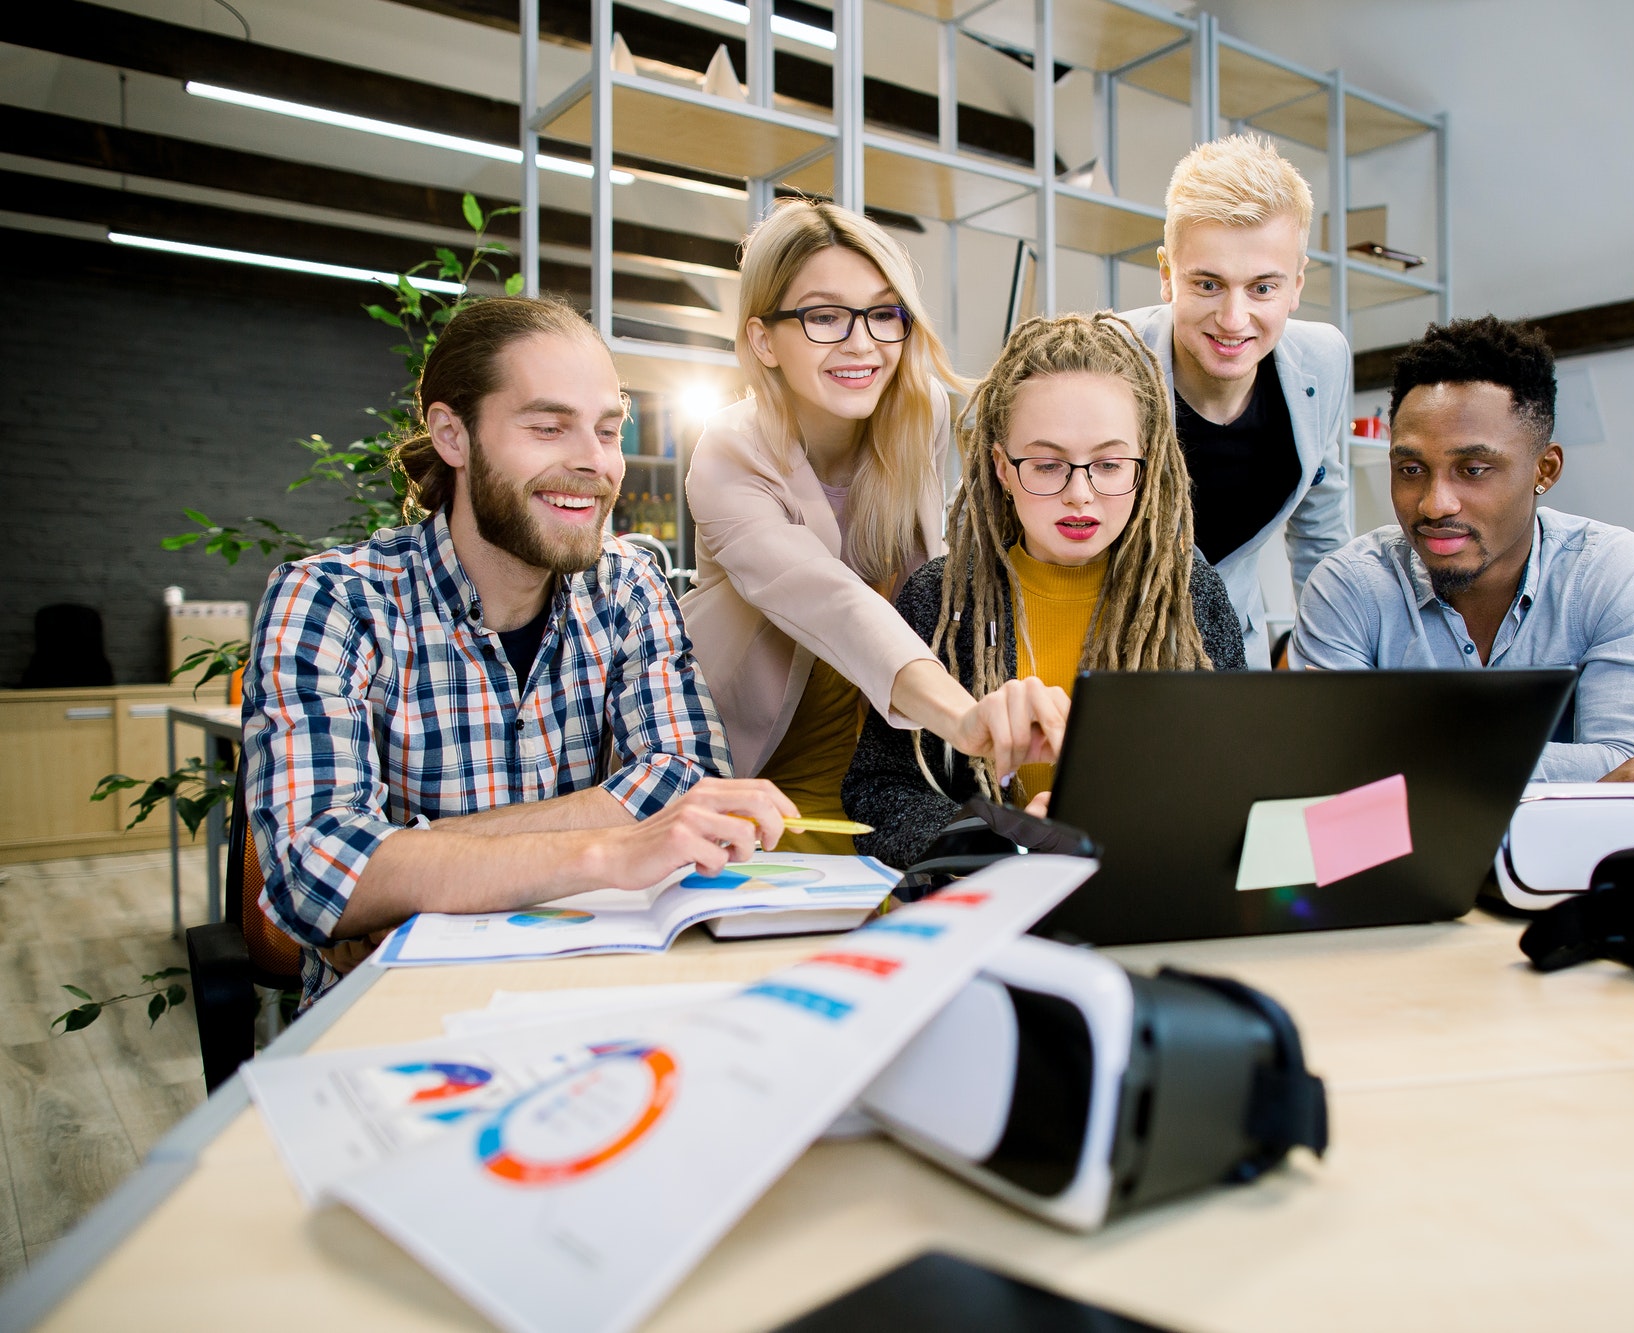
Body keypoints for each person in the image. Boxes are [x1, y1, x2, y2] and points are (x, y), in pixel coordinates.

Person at [241, 297, 795, 1003]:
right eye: (547, 427)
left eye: (606, 430)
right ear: (452, 435)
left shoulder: (627, 587)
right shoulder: (333, 600)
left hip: (589, 990)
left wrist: (408, 867)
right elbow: (317, 872)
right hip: (398, 1013)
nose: (594, 463)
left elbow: (687, 781)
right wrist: (609, 848)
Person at [683, 200, 1064, 853]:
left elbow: (930, 587)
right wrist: (963, 717)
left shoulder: (920, 416)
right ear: (763, 339)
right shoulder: (727, 451)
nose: (862, 343)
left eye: (884, 313)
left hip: (882, 754)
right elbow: (833, 603)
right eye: (825, 316)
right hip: (753, 761)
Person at [845, 312, 1248, 867]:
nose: (1079, 494)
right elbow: (877, 793)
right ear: (1002, 469)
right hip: (992, 910)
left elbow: (1239, 783)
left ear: (1146, 464)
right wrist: (997, 839)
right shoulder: (940, 599)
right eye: (1046, 464)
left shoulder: (1190, 596)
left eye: (1108, 464)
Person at [1289, 315, 1634, 788]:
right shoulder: (1349, 586)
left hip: (1581, 859)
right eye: (1410, 469)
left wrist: (1402, 759)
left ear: (1544, 470)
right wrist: (1571, 769)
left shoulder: (1616, 572)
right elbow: (1325, 775)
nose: (1435, 503)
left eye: (1475, 469)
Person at [1119, 133, 1352, 668]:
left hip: (1233, 649)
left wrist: (1328, 672)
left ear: (1296, 284)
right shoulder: (1105, 358)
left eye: (1262, 289)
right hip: (1100, 650)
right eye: (1207, 284)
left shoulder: (1324, 360)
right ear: (1166, 274)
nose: (1233, 319)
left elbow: (1321, 533)